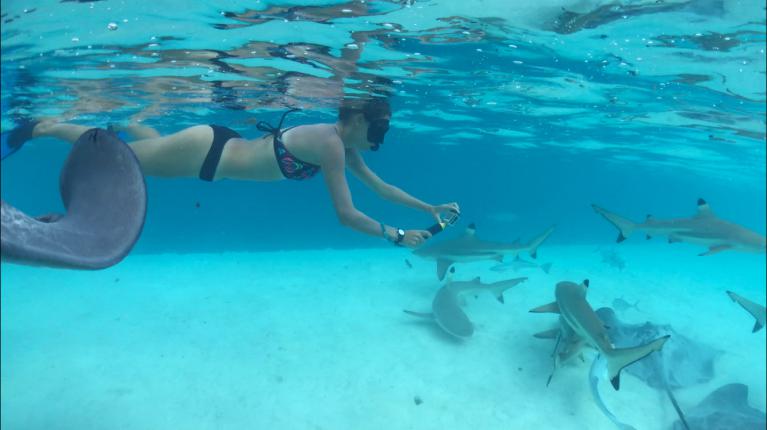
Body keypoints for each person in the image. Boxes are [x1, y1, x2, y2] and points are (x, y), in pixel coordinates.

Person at [21, 97, 460, 248]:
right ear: (360, 120)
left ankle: (133, 119)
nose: (382, 137)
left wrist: (429, 207)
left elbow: (381, 188)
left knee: (143, 150)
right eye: (380, 127)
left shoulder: (340, 143)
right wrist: (396, 235)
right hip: (204, 154)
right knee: (119, 157)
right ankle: (45, 127)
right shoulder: (330, 145)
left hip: (211, 148)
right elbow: (345, 215)